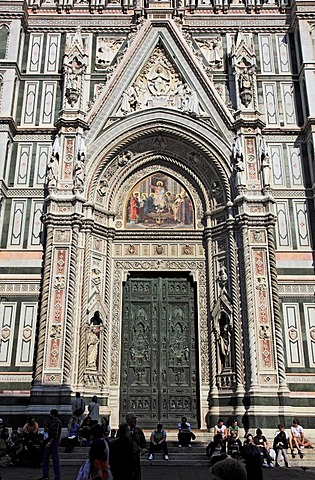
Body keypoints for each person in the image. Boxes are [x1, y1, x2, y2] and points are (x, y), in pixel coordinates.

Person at [40, 409, 62, 480]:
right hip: (52, 440)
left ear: (53, 414)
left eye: (50, 414)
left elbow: (55, 435)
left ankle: (57, 476)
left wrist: (49, 442)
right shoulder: (53, 422)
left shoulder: (57, 422)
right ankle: (46, 475)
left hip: (54, 441)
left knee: (54, 458)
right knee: (46, 457)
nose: (50, 415)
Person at [125, 412, 146, 480]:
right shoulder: (123, 431)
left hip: (135, 457)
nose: (135, 420)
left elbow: (143, 443)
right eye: (133, 419)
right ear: (128, 420)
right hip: (125, 457)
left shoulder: (139, 431)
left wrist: (143, 449)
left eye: (135, 419)